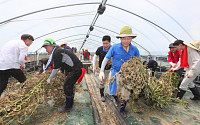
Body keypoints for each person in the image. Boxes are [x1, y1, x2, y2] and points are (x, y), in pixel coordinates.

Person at [99, 26, 140, 117]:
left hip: (127, 75)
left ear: (131, 38)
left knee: (126, 93)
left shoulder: (134, 49)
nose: (126, 41)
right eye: (124, 38)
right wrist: (101, 71)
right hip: (115, 73)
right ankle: (116, 98)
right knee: (113, 92)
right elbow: (106, 59)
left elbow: (138, 61)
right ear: (120, 38)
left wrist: (137, 71)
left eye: (128, 38)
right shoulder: (114, 47)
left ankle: (122, 109)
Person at [42, 38, 85, 112]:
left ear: (51, 46)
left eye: (46, 48)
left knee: (67, 85)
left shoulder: (57, 52)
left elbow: (56, 68)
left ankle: (68, 106)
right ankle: (70, 102)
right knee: (69, 85)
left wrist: (49, 78)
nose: (46, 50)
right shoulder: (58, 51)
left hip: (76, 69)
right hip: (75, 69)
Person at [93, 35, 112, 102]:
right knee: (102, 81)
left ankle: (112, 94)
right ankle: (102, 95)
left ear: (110, 42)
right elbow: (95, 57)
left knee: (112, 81)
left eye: (106, 43)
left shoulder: (112, 49)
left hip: (110, 68)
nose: (105, 45)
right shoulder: (100, 49)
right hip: (102, 69)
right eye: (103, 43)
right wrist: (94, 66)